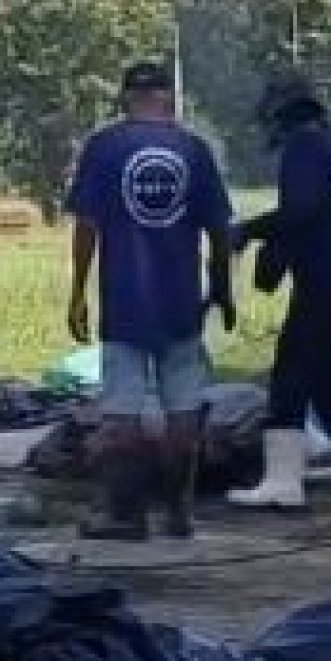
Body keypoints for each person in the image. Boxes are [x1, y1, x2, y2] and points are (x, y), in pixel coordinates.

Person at [66, 61, 236, 541]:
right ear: (169, 97)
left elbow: (86, 226)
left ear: (126, 98)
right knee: (183, 409)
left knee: (122, 412)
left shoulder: (104, 147)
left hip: (123, 300)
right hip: (181, 300)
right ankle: (179, 512)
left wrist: (78, 292)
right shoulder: (194, 149)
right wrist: (221, 287)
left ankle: (125, 515)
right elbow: (219, 227)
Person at [228, 73, 331, 510]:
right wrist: (278, 250)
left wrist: (251, 232)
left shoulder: (305, 146)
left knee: (292, 374)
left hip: (325, 280)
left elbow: (303, 209)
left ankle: (282, 481)